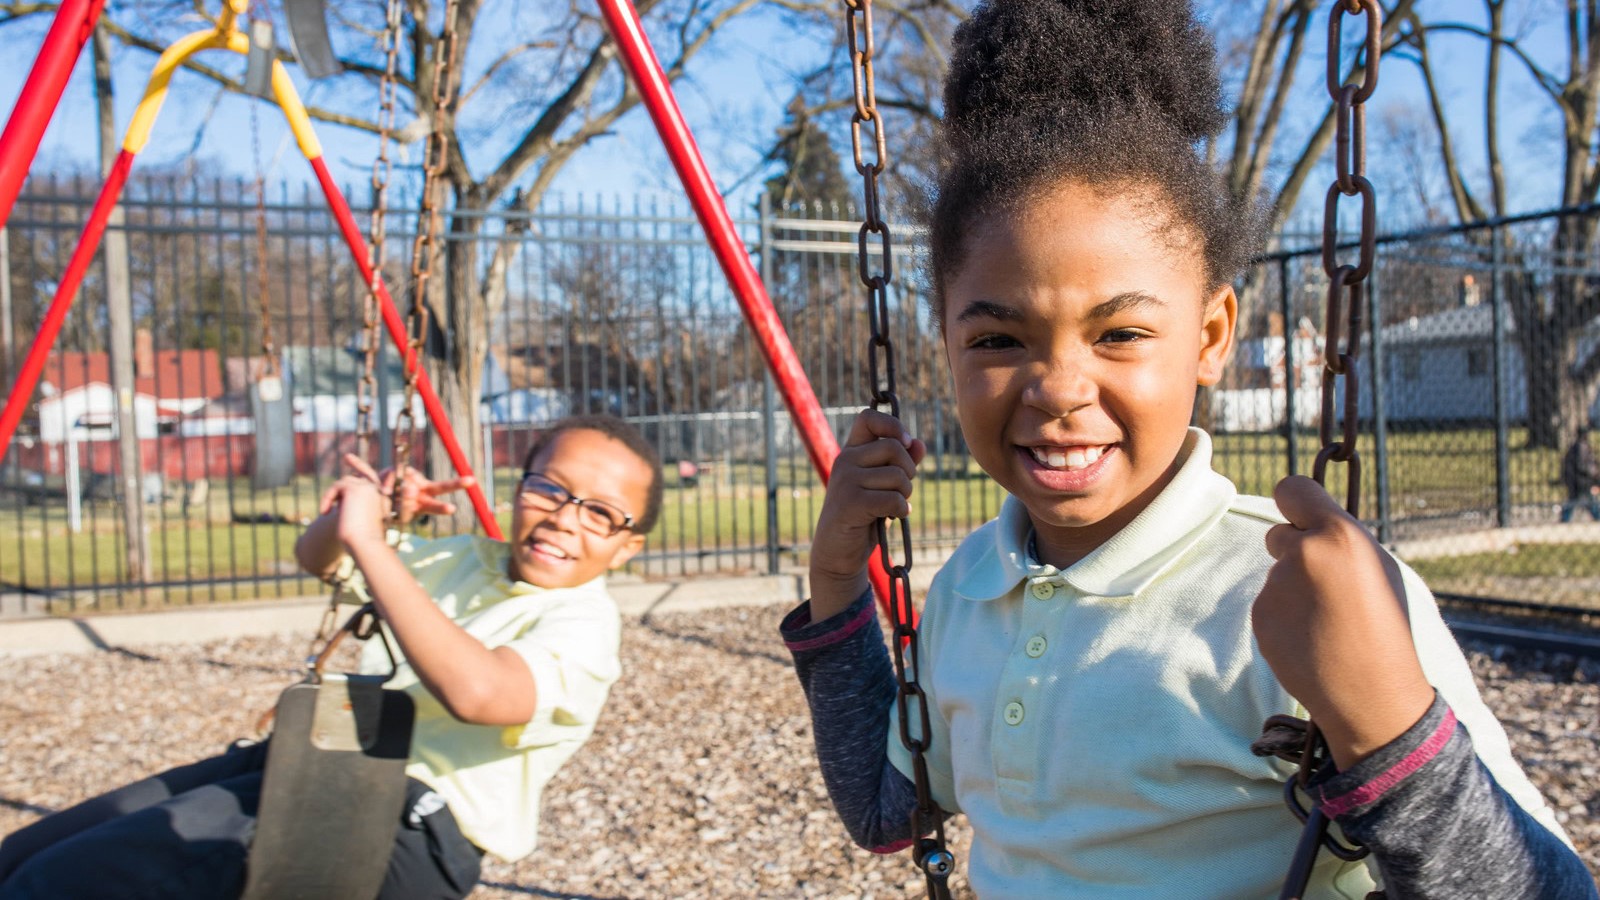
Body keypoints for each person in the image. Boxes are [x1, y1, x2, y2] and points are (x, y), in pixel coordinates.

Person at [780, 2, 1596, 897]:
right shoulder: (971, 587)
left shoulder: (1304, 601)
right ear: (944, 342)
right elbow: (886, 809)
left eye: (1121, 332)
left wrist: (1392, 735)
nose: (1056, 388)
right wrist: (837, 580)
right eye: (997, 341)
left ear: (1211, 336)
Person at [0, 414, 662, 900]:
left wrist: (375, 546)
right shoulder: (467, 559)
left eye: (601, 513)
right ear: (521, 486)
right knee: (23, 856)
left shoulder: (583, 625)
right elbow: (321, 558)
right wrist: (362, 513)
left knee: (65, 883)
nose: (564, 519)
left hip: (410, 829)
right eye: (549, 488)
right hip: (319, 762)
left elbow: (481, 693)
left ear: (628, 547)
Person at [1558, 430, 1600, 522]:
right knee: (1588, 500)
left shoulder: (1576, 447)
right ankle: (1597, 516)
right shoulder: (1582, 447)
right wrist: (1594, 473)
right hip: (1581, 480)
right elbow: (1584, 465)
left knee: (1577, 499)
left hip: (1577, 480)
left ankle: (1565, 518)